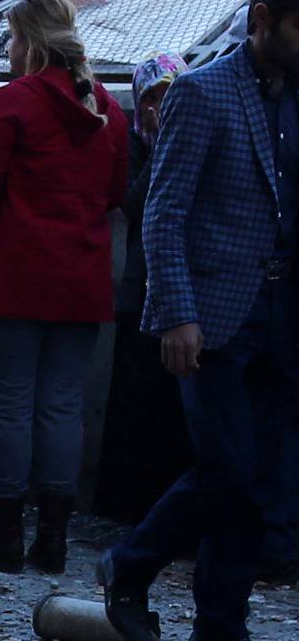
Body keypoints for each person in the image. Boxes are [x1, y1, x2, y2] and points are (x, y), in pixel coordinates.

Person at [99, 0, 299, 641]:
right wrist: (176, 313)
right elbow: (165, 211)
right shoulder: (202, 94)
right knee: (230, 469)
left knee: (256, 477)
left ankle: (219, 630)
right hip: (213, 315)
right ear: (263, 21)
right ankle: (130, 561)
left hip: (283, 315)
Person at [0, 0, 128, 574]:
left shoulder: (13, 102)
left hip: (12, 278)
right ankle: (54, 538)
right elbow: (116, 194)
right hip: (82, 279)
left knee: (9, 409)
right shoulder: (109, 113)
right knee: (61, 408)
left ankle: (4, 535)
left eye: (13, 39)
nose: (10, 49)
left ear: (30, 42)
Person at [91, 51, 193, 526]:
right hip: (139, 293)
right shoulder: (136, 144)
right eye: (153, 98)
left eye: (171, 96)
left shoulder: (204, 140)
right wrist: (165, 147)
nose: (161, 107)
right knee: (134, 400)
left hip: (189, 294)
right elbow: (129, 204)